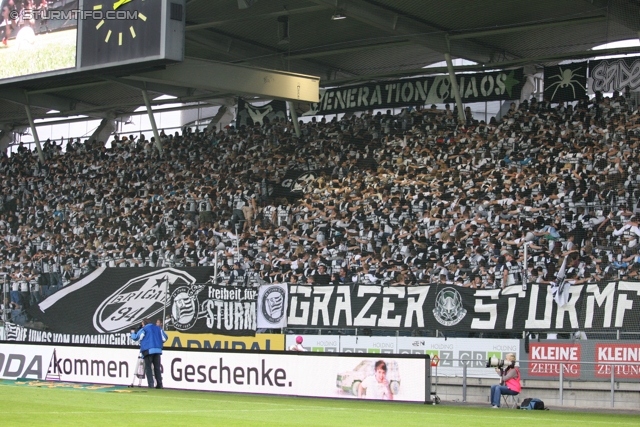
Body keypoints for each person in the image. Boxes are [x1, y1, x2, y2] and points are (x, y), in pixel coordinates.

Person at [131, 318, 168, 389]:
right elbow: (165, 338)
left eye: (142, 324)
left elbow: (136, 337)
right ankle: (160, 385)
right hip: (157, 350)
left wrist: (132, 333)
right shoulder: (158, 328)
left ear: (144, 324)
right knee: (157, 368)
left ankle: (151, 385)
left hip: (148, 350)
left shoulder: (144, 329)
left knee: (148, 368)